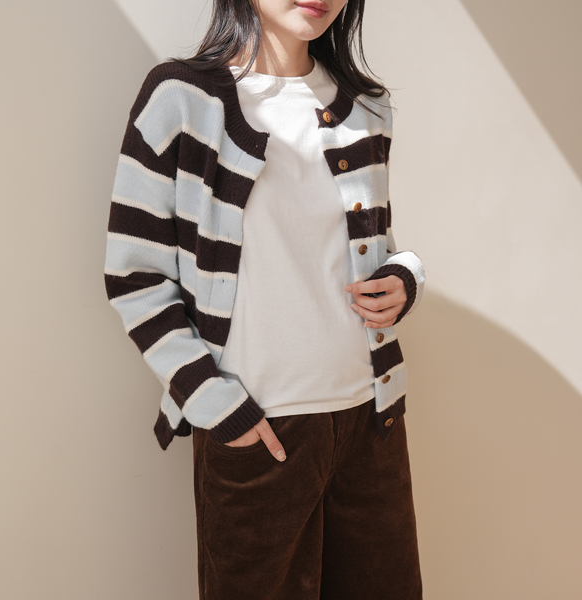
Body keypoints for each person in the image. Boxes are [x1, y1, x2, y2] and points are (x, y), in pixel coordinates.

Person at [105, 0, 425, 597]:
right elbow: (135, 275)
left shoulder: (366, 108)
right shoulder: (181, 98)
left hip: (370, 424)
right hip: (257, 431)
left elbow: (371, 248)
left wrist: (406, 278)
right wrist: (216, 406)